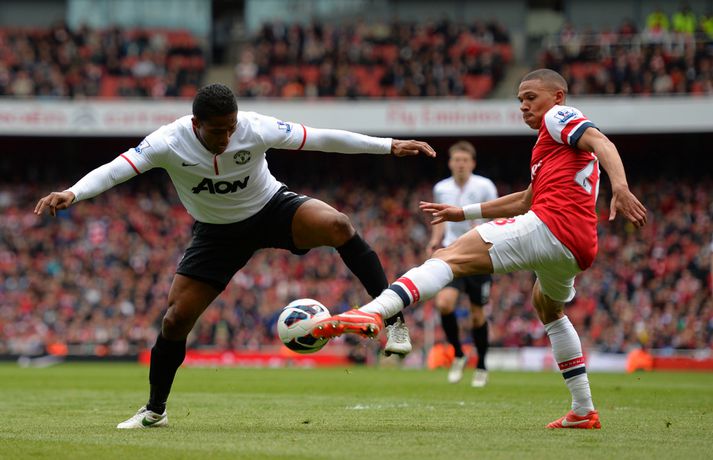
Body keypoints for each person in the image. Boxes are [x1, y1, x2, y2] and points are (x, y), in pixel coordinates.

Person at [34, 83, 434, 429]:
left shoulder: (254, 127)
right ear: (196, 124)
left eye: (231, 128)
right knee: (175, 320)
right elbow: (116, 169)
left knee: (338, 225)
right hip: (217, 234)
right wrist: (73, 192)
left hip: (270, 208)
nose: (227, 137)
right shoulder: (168, 141)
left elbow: (321, 138)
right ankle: (155, 411)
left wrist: (388, 146)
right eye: (218, 131)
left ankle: (393, 319)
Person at [312, 69, 648, 429]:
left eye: (531, 97)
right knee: (547, 307)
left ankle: (373, 313)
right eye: (520, 100)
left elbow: (602, 141)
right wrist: (462, 213)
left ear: (557, 97)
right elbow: (525, 200)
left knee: (447, 256)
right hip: (578, 245)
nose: (523, 106)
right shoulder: (553, 148)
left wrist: (621, 187)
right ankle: (583, 409)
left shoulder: (558, 117)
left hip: (551, 225)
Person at [427, 141, 497, 386]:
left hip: (479, 254)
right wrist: (434, 241)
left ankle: (482, 365)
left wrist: (483, 230)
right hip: (453, 253)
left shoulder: (485, 186)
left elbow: (494, 214)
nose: (460, 164)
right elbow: (440, 219)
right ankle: (458, 353)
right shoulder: (441, 188)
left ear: (472, 163)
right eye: (456, 160)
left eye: (465, 160)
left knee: (477, 316)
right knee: (444, 304)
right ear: (450, 163)